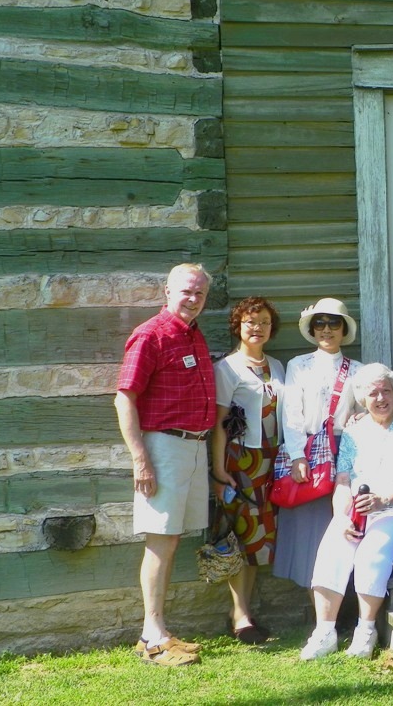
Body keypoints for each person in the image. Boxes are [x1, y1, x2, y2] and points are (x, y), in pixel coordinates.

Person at [114, 263, 215, 666]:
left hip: (192, 446)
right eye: (186, 291)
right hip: (163, 447)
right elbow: (124, 398)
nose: (193, 299)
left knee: (170, 539)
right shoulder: (150, 335)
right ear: (168, 291)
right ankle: (152, 636)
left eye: (200, 294)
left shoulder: (192, 334)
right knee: (159, 539)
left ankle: (158, 631)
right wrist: (141, 459)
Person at [300, 363, 393, 660]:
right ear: (362, 399)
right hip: (361, 512)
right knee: (334, 545)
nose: (381, 397)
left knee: (372, 550)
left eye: (386, 390)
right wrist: (341, 517)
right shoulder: (354, 431)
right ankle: (324, 631)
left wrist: (383, 498)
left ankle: (366, 629)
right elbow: (343, 480)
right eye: (373, 393)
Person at [273, 298, 363, 591]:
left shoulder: (358, 369)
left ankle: (345, 599)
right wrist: (298, 456)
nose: (326, 330)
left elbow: (366, 410)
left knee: (343, 520)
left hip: (346, 449)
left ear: (344, 329)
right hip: (309, 449)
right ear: (312, 330)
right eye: (320, 324)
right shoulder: (299, 365)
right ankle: (315, 605)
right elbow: (292, 412)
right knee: (310, 526)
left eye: (333, 323)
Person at [210, 296, 284, 644]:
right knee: (242, 535)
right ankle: (240, 616)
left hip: (271, 460)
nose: (257, 328)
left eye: (264, 322)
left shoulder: (278, 366)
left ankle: (242, 612)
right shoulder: (228, 369)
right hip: (241, 461)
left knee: (260, 540)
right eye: (250, 322)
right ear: (238, 326)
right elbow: (220, 423)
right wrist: (217, 467)